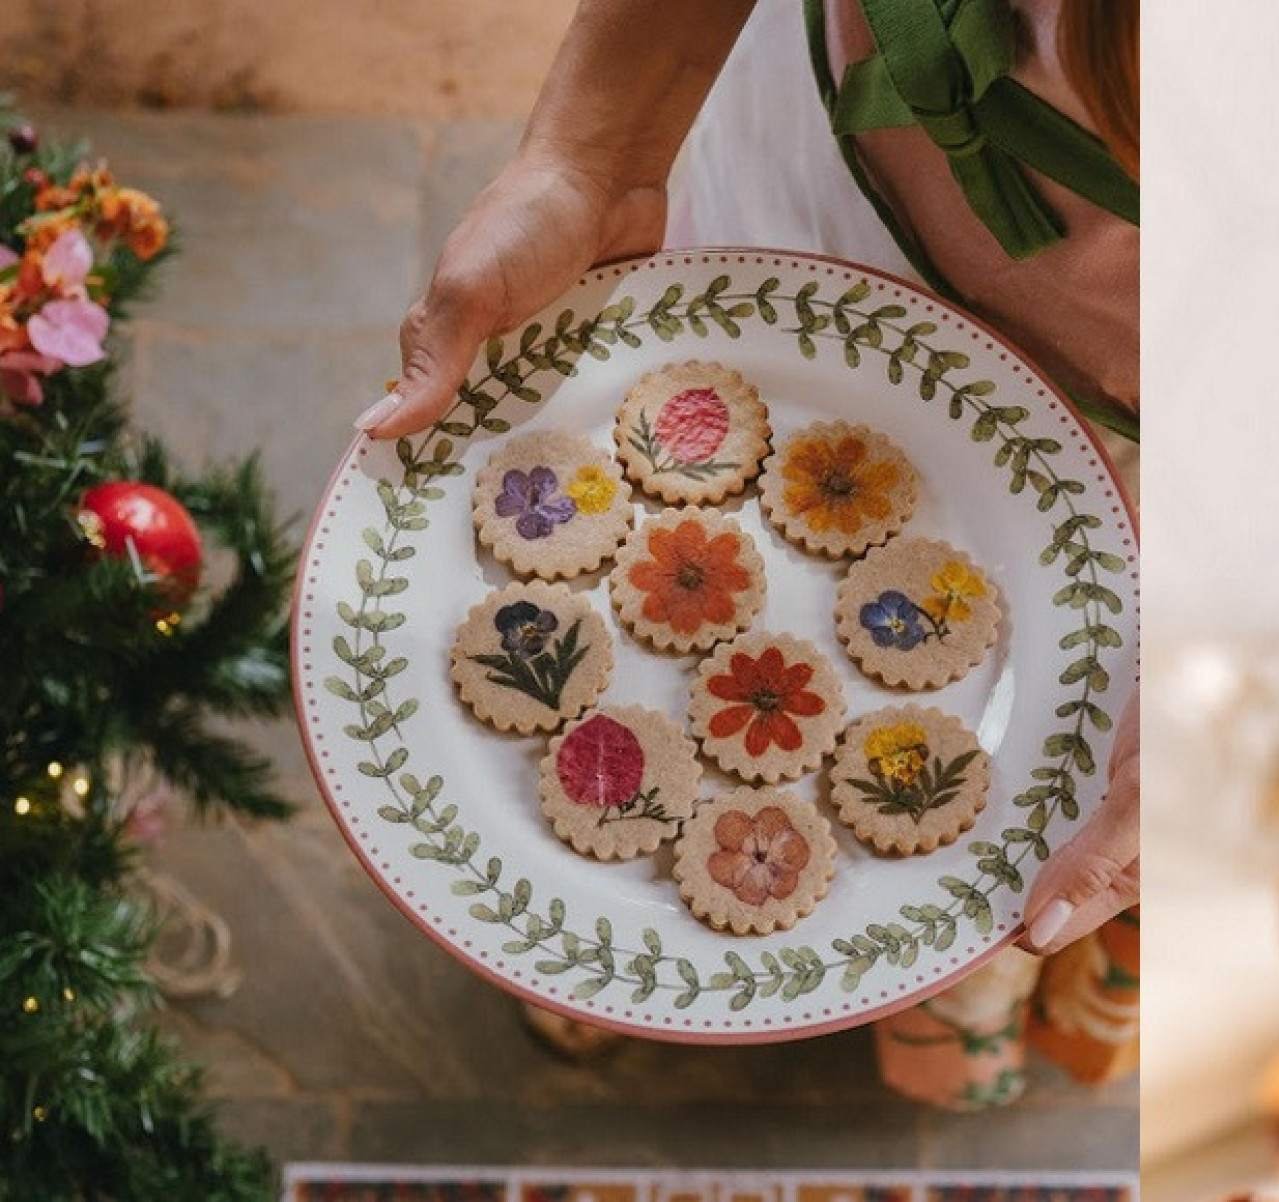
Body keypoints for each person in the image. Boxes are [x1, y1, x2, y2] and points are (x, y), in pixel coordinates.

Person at [360, 0, 1136, 972]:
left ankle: (921, 1007)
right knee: (578, 916)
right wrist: (593, 159)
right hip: (809, 166)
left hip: (1140, 399)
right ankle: (600, 957)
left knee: (1043, 811)